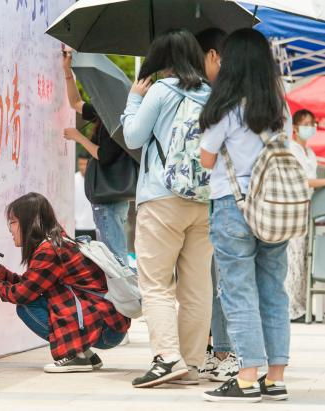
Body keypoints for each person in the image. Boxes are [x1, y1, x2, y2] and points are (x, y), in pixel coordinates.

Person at [200, 28, 292, 402]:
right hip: (274, 208)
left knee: (238, 290)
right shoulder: (279, 107)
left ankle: (246, 378)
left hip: (233, 206)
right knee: (273, 291)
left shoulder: (225, 107)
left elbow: (207, 159)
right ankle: (275, 378)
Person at [120, 29, 213, 388]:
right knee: (197, 287)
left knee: (156, 283)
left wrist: (133, 99)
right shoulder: (213, 94)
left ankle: (167, 358)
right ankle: (192, 363)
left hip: (162, 199)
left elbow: (133, 137)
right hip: (204, 202)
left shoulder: (161, 90)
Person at [0, 192, 130, 373]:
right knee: (33, 300)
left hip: (106, 328)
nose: (10, 229)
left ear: (29, 221)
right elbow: (30, 284)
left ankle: (76, 356)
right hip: (107, 323)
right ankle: (84, 355)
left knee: (26, 307)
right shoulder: (55, 241)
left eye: (12, 222)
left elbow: (22, 294)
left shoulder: (49, 249)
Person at [195, 28, 239, 383]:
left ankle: (228, 352)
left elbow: (207, 157)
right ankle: (219, 348)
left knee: (224, 281)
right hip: (224, 201)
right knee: (214, 280)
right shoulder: (242, 94)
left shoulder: (224, 99)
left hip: (226, 202)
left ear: (212, 56)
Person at [62, 50, 131, 263]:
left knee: (115, 257)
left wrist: (78, 137)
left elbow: (104, 155)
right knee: (113, 253)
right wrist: (67, 72)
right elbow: (75, 103)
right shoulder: (105, 111)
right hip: (112, 196)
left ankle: (120, 287)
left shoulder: (117, 119)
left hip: (108, 197)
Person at [286, 109, 325, 322]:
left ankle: (302, 306)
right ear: (294, 127)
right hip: (293, 207)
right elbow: (301, 181)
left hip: (307, 208)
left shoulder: (308, 152)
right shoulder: (291, 150)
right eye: (306, 123)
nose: (310, 127)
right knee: (293, 258)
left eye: (312, 123)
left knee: (304, 258)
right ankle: (290, 308)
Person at [74, 152, 96, 239]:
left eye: (85, 164)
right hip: (77, 226)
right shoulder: (73, 179)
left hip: (94, 226)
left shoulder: (95, 179)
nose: (82, 167)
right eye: (80, 164)